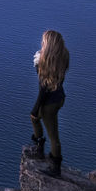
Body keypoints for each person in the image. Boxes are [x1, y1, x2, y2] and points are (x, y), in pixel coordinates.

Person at [29, 29, 69, 176]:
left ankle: (55, 168)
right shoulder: (64, 57)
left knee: (53, 136)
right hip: (60, 98)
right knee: (36, 120)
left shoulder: (42, 61)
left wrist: (35, 109)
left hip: (49, 103)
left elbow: (43, 89)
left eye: (44, 41)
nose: (41, 42)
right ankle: (39, 145)